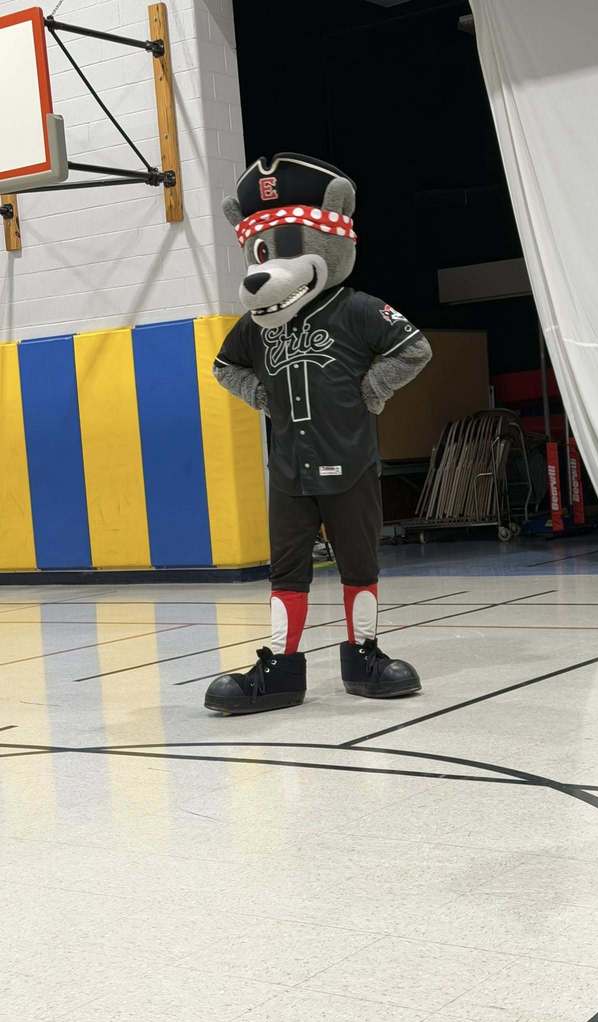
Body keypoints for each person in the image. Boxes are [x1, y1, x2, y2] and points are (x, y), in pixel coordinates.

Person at [203, 153, 432, 715]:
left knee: (359, 564)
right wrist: (262, 397)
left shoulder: (356, 309)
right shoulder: (257, 328)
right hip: (288, 469)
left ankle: (365, 656)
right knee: (287, 569)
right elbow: (223, 366)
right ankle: (280, 669)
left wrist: (370, 392)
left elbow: (414, 349)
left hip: (349, 461)